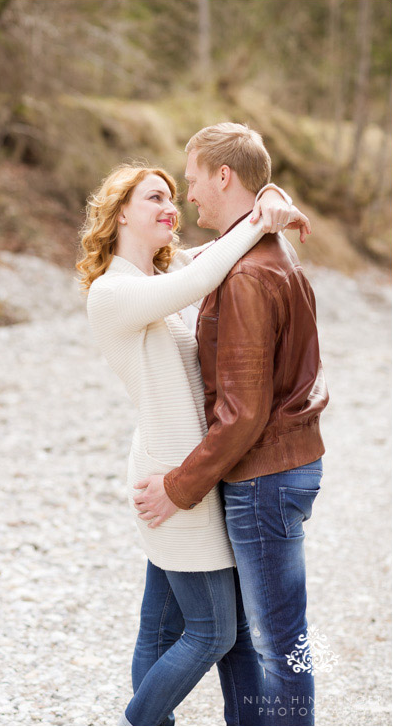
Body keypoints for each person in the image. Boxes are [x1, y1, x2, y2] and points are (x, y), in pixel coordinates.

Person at [79, 163, 309, 726]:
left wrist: (269, 196)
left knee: (160, 629)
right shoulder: (112, 292)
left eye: (174, 198)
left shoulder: (163, 272)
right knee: (213, 632)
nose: (170, 207)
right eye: (154, 197)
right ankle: (140, 719)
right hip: (171, 477)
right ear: (121, 213)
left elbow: (217, 251)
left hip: (194, 470)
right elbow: (205, 277)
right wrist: (261, 223)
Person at [133, 124, 328, 726]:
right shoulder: (266, 253)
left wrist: (178, 486)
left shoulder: (245, 276)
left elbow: (243, 414)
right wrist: (271, 198)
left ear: (224, 177)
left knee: (278, 645)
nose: (188, 196)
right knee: (256, 638)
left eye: (192, 181)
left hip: (263, 477)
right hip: (283, 467)